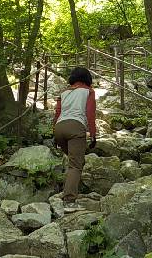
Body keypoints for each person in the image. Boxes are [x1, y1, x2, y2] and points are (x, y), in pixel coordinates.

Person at [53, 66, 97, 205]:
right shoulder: (88, 92)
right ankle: (69, 199)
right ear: (87, 79)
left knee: (75, 160)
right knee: (75, 166)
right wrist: (93, 135)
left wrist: (54, 134)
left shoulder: (64, 93)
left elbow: (57, 113)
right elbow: (90, 114)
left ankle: (71, 186)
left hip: (59, 128)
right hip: (76, 127)